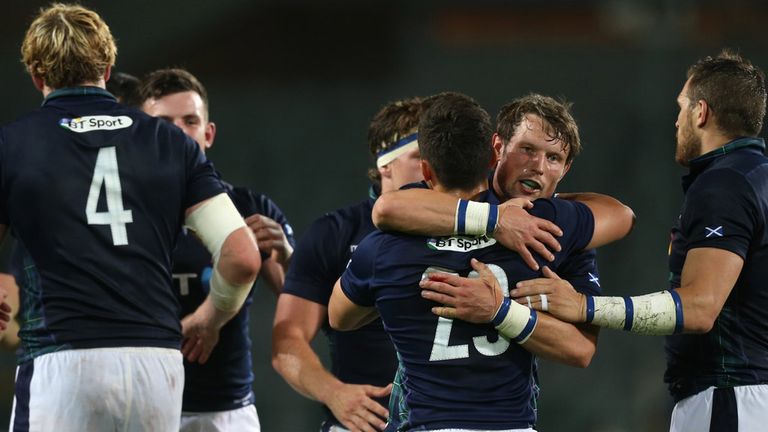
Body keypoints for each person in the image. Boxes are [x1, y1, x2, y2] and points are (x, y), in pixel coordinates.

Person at [442, 50, 768, 432]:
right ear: (498, 148)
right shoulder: (755, 178)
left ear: (700, 113)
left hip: (732, 395)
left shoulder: (723, 184)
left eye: (681, 107)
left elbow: (698, 307)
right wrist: (492, 217)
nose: (676, 119)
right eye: (527, 149)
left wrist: (582, 305)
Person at [1, 5, 261, 431]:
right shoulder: (171, 143)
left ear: (36, 74)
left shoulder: (13, 144)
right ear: (107, 66)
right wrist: (207, 318)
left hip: (63, 360)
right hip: (156, 367)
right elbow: (242, 257)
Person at [328, 92, 609, 431]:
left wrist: (394, 294)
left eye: (552, 157)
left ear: (426, 169)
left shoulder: (383, 247)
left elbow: (339, 317)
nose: (537, 165)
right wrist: (501, 312)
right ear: (495, 154)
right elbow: (622, 217)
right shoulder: (547, 232)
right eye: (528, 150)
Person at [140, 67, 295, 431]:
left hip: (225, 409)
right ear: (141, 135)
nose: (178, 132)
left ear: (208, 134)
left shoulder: (249, 208)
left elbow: (303, 306)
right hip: (141, 402)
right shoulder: (120, 214)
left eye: (190, 121)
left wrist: (287, 253)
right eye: (163, 122)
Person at [272, 97, 426, 432]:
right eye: (420, 157)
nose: (432, 168)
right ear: (385, 164)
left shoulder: (475, 224)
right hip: (364, 423)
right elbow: (287, 342)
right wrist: (334, 393)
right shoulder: (336, 233)